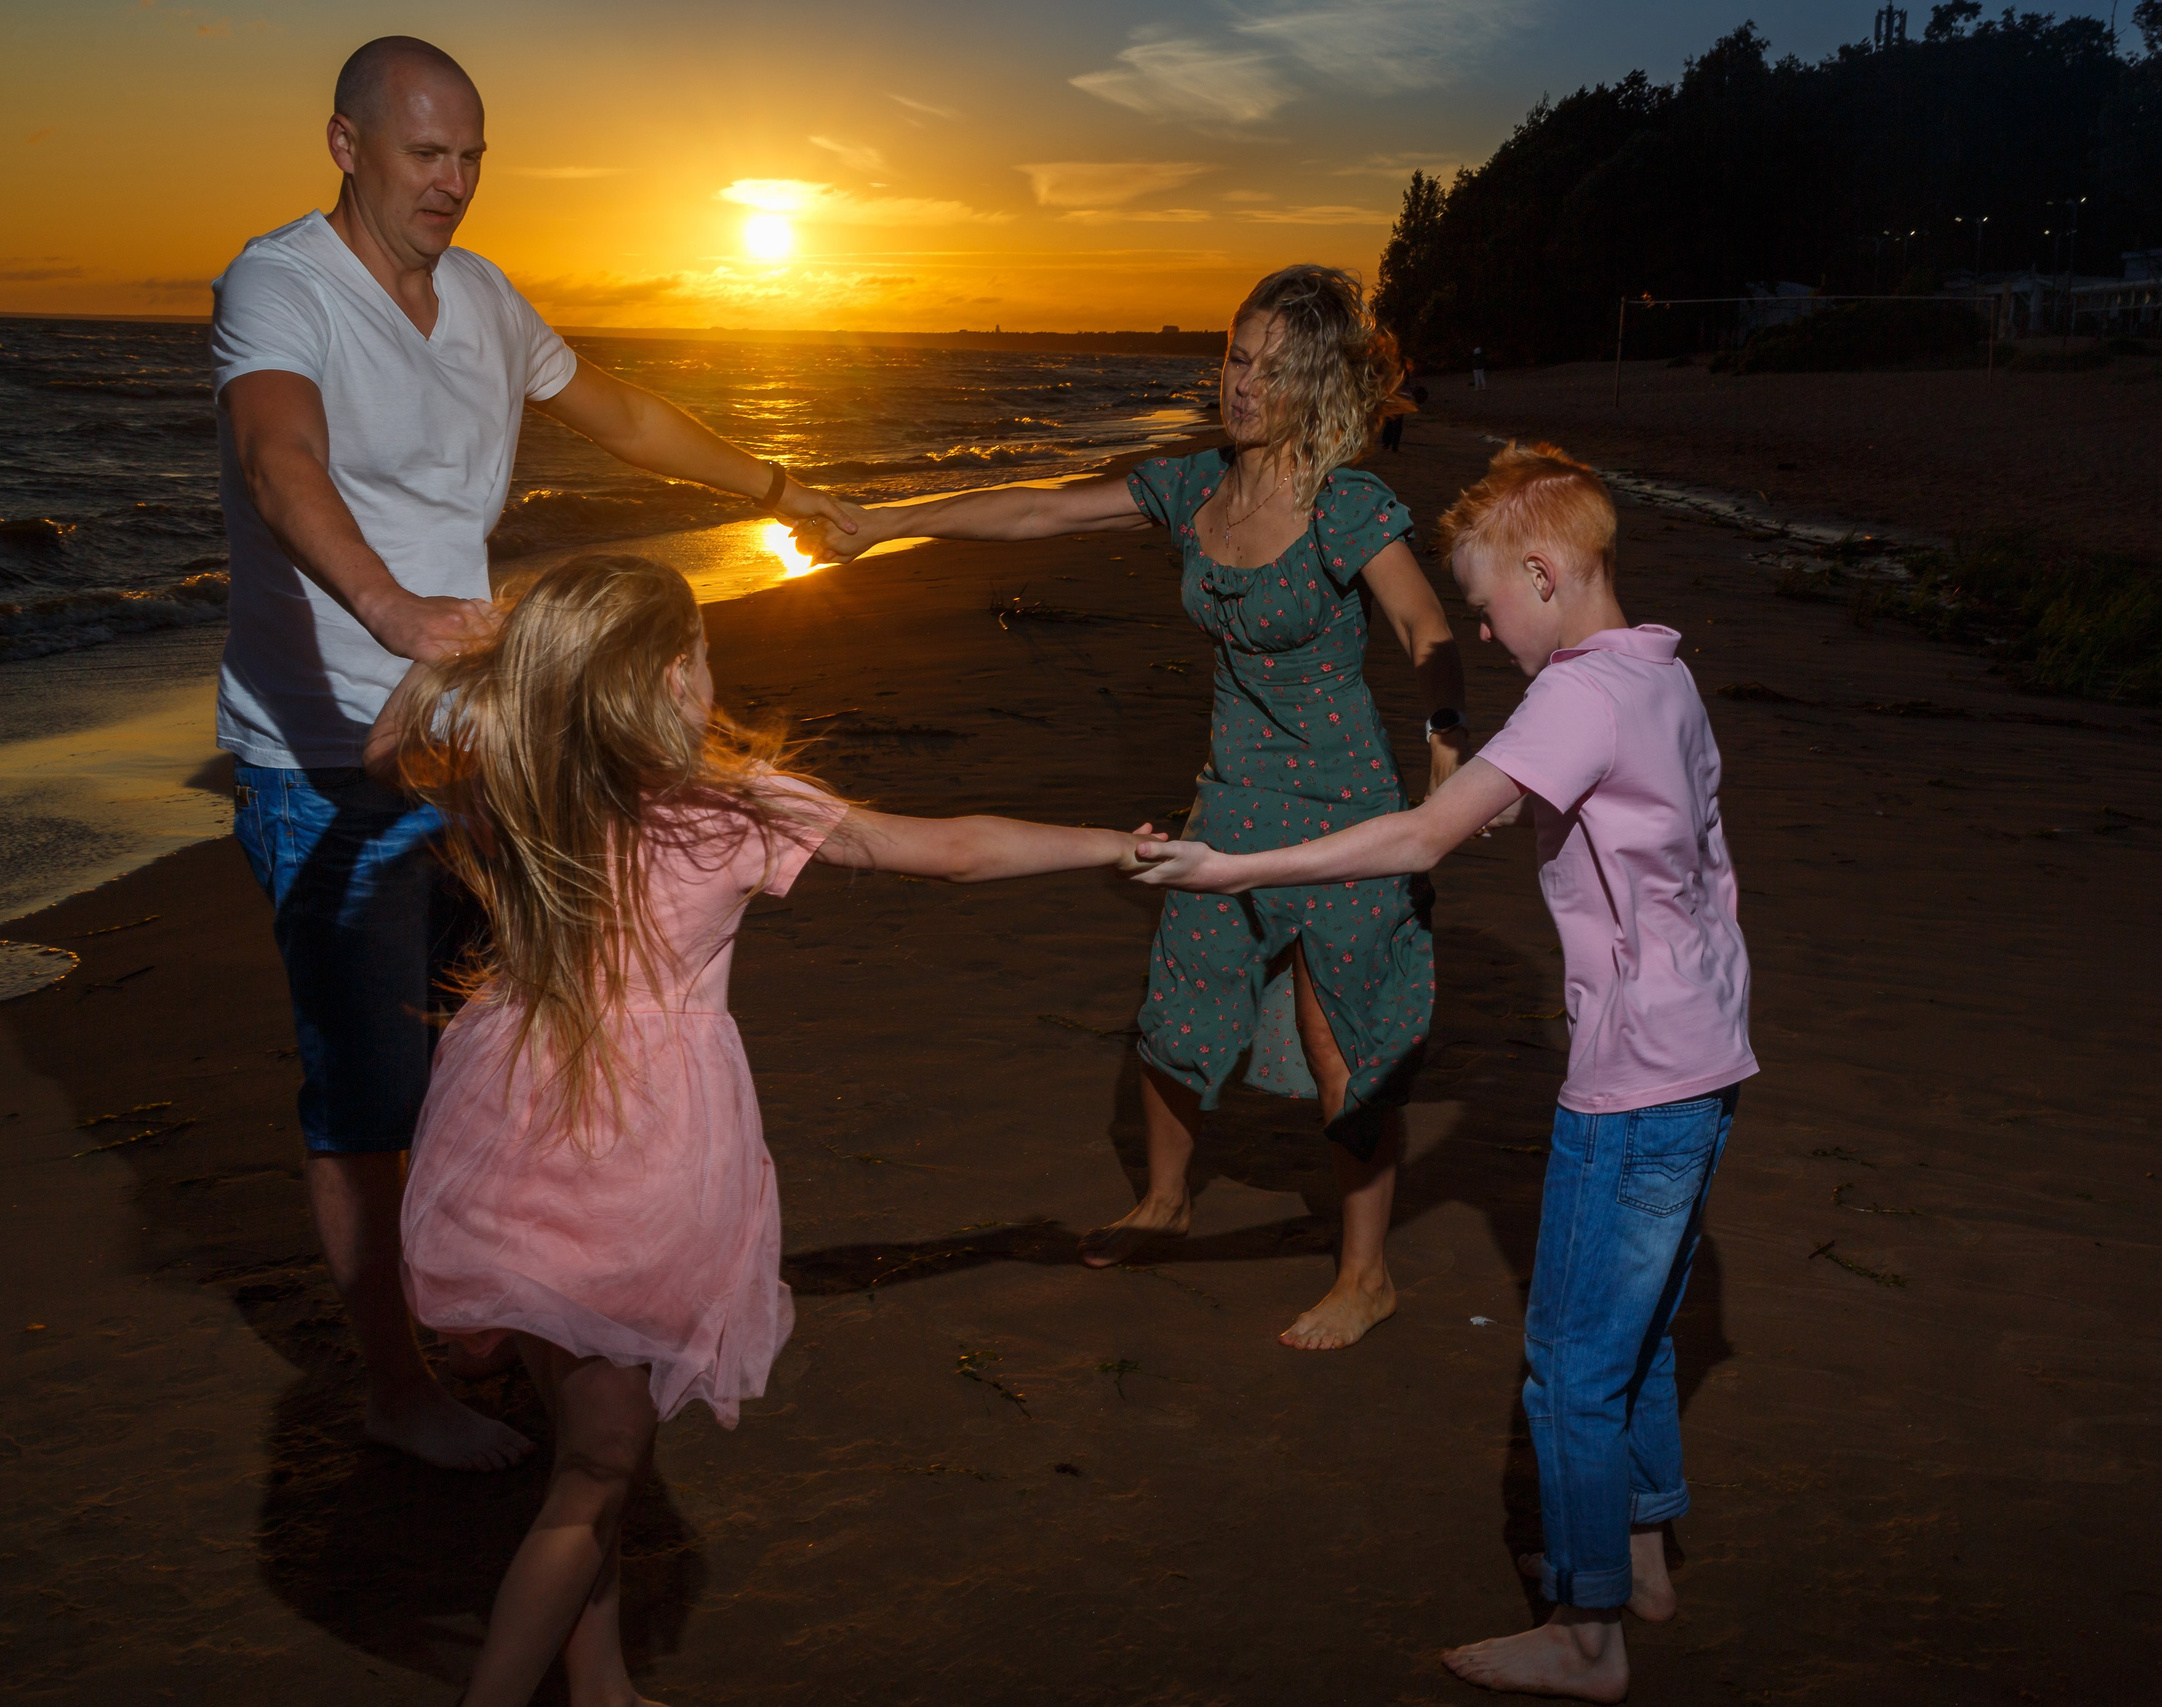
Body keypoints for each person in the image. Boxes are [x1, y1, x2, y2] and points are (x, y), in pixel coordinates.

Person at [211, 36, 862, 1469]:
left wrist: (774, 482)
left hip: (480, 753)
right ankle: (397, 1384)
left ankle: (484, 1304)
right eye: (424, 153)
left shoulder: (487, 301)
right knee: (370, 1095)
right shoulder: (281, 285)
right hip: (326, 765)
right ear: (346, 144)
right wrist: (391, 609)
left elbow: (616, 410)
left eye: (471, 157)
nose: (451, 183)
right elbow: (277, 459)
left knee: (497, 1043)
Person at [368, 553, 1163, 1707]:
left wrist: (459, 645)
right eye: (700, 652)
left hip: (513, 1119)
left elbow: (386, 754)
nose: (708, 673)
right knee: (599, 1463)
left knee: (594, 1441)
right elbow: (946, 851)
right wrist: (1112, 846)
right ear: (669, 675)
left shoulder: (524, 776)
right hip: (635, 1152)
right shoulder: (731, 806)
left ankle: (601, 1687)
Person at [1133, 442, 1756, 1702]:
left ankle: (1586, 1634)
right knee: (1636, 1335)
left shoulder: (1577, 700)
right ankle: (1638, 1559)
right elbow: (1547, 812)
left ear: (1546, 572)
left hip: (1634, 1080)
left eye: (1486, 599)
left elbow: (1424, 838)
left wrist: (1228, 866)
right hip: (1707, 1059)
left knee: (1569, 1363)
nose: (1475, 626)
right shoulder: (1658, 672)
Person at [809, 265, 1459, 1351]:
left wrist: (1446, 743)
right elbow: (1039, 508)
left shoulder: (1344, 506)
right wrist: (883, 521)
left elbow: (1424, 626)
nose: (1242, 384)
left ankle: (1366, 1275)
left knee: (1338, 1037)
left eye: (1271, 369)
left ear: (1315, 386)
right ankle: (1164, 1201)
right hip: (1231, 795)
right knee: (1179, 1003)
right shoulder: (1194, 487)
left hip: (1346, 806)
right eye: (1235, 357)